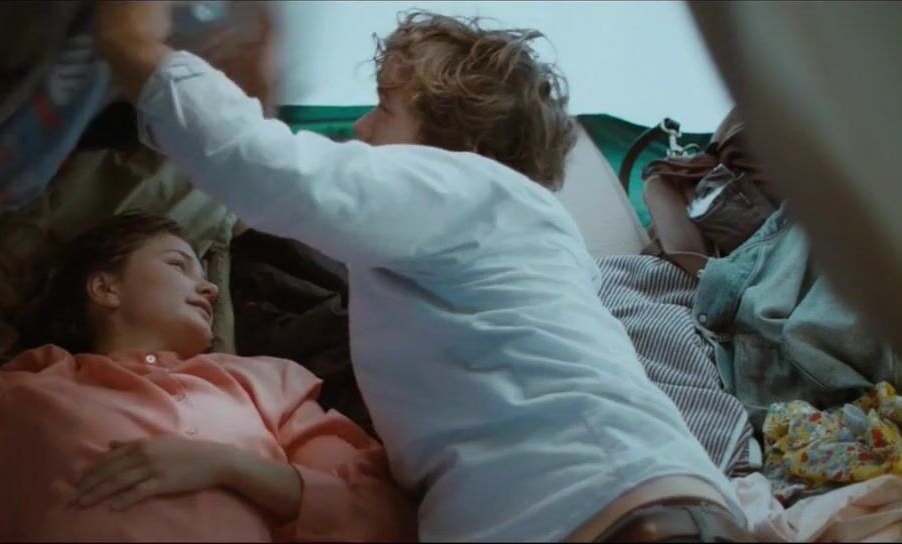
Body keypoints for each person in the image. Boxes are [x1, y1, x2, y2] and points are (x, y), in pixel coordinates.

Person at [94, 3, 754, 541]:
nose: (359, 127)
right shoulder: (507, 247)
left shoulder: (474, 189)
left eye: (384, 105)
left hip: (610, 516)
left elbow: (272, 173)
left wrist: (143, 54)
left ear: (460, 142)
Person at [0, 208, 416, 542]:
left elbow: (386, 519)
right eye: (178, 265)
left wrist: (228, 467)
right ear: (104, 288)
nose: (209, 289)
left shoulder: (268, 382)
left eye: (204, 274)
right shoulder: (14, 393)